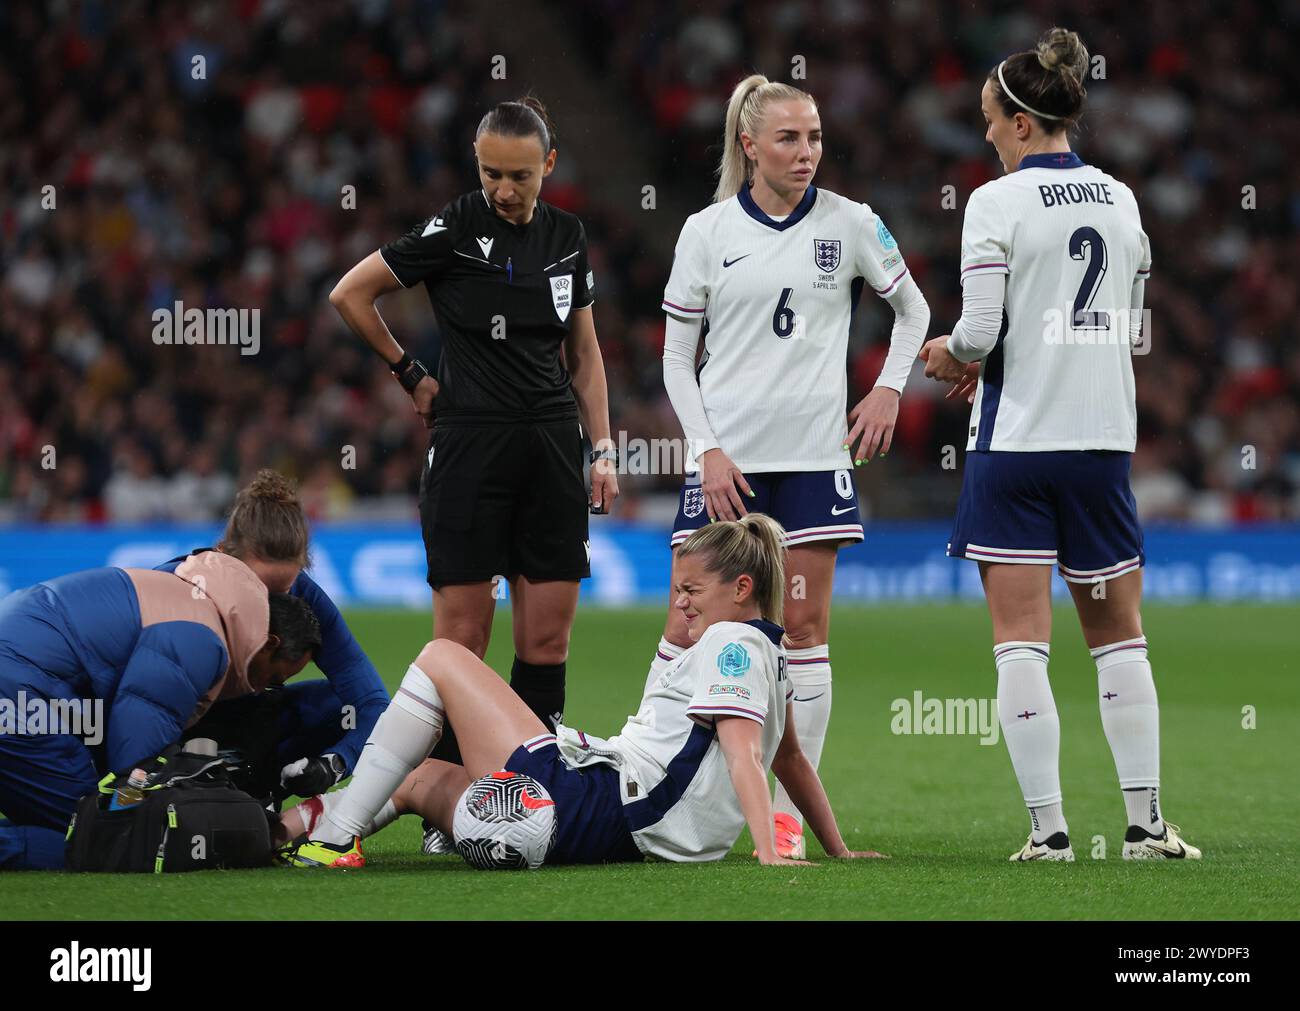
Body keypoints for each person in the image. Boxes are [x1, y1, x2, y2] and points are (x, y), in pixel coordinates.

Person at [920, 28, 1200, 861]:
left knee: (1019, 641)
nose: (984, 135)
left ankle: (1048, 832)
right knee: (1121, 639)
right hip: (1101, 441)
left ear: (1016, 120)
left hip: (1014, 446)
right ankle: (1147, 825)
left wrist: (952, 356)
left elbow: (973, 329)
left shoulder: (994, 202)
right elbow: (1129, 323)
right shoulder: (1121, 199)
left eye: (987, 120)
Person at [655, 75, 931, 857]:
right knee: (686, 623)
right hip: (726, 464)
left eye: (813, 137)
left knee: (802, 631)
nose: (806, 151)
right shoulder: (705, 231)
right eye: (788, 138)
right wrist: (704, 446)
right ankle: (663, 785)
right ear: (749, 145)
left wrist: (886, 389)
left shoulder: (851, 223)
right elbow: (677, 357)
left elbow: (912, 310)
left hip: (812, 461)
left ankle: (783, 819)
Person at [280, 514, 883, 868]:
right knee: (417, 779)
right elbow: (794, 761)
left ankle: (332, 837)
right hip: (610, 816)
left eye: (692, 590)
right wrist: (839, 850)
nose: (680, 602)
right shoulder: (766, 652)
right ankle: (287, 832)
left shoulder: (733, 645)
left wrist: (768, 852)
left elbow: (747, 753)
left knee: (443, 657)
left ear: (742, 588)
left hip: (597, 804)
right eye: (678, 589)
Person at [328, 96, 617, 765]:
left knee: (546, 642)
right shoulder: (452, 229)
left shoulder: (567, 237)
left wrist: (602, 448)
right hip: (469, 448)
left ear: (548, 164)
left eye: (520, 175)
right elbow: (350, 293)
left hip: (550, 446)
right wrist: (410, 373)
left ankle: (531, 787)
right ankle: (449, 803)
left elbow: (585, 354)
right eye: (491, 173)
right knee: (459, 642)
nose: (504, 189)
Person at [0, 552, 318, 869]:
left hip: (25, 679)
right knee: (102, 836)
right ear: (270, 643)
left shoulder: (196, 603)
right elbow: (135, 753)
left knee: (97, 823)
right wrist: (144, 805)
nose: (262, 688)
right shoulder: (202, 639)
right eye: (274, 677)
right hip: (20, 692)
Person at [155, 470, 389, 803]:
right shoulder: (174, 588)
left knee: (343, 706)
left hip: (255, 727)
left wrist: (335, 763)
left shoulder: (309, 598)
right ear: (223, 554)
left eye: (285, 590)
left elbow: (372, 703)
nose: (270, 604)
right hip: (174, 729)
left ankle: (258, 786)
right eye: (257, 588)